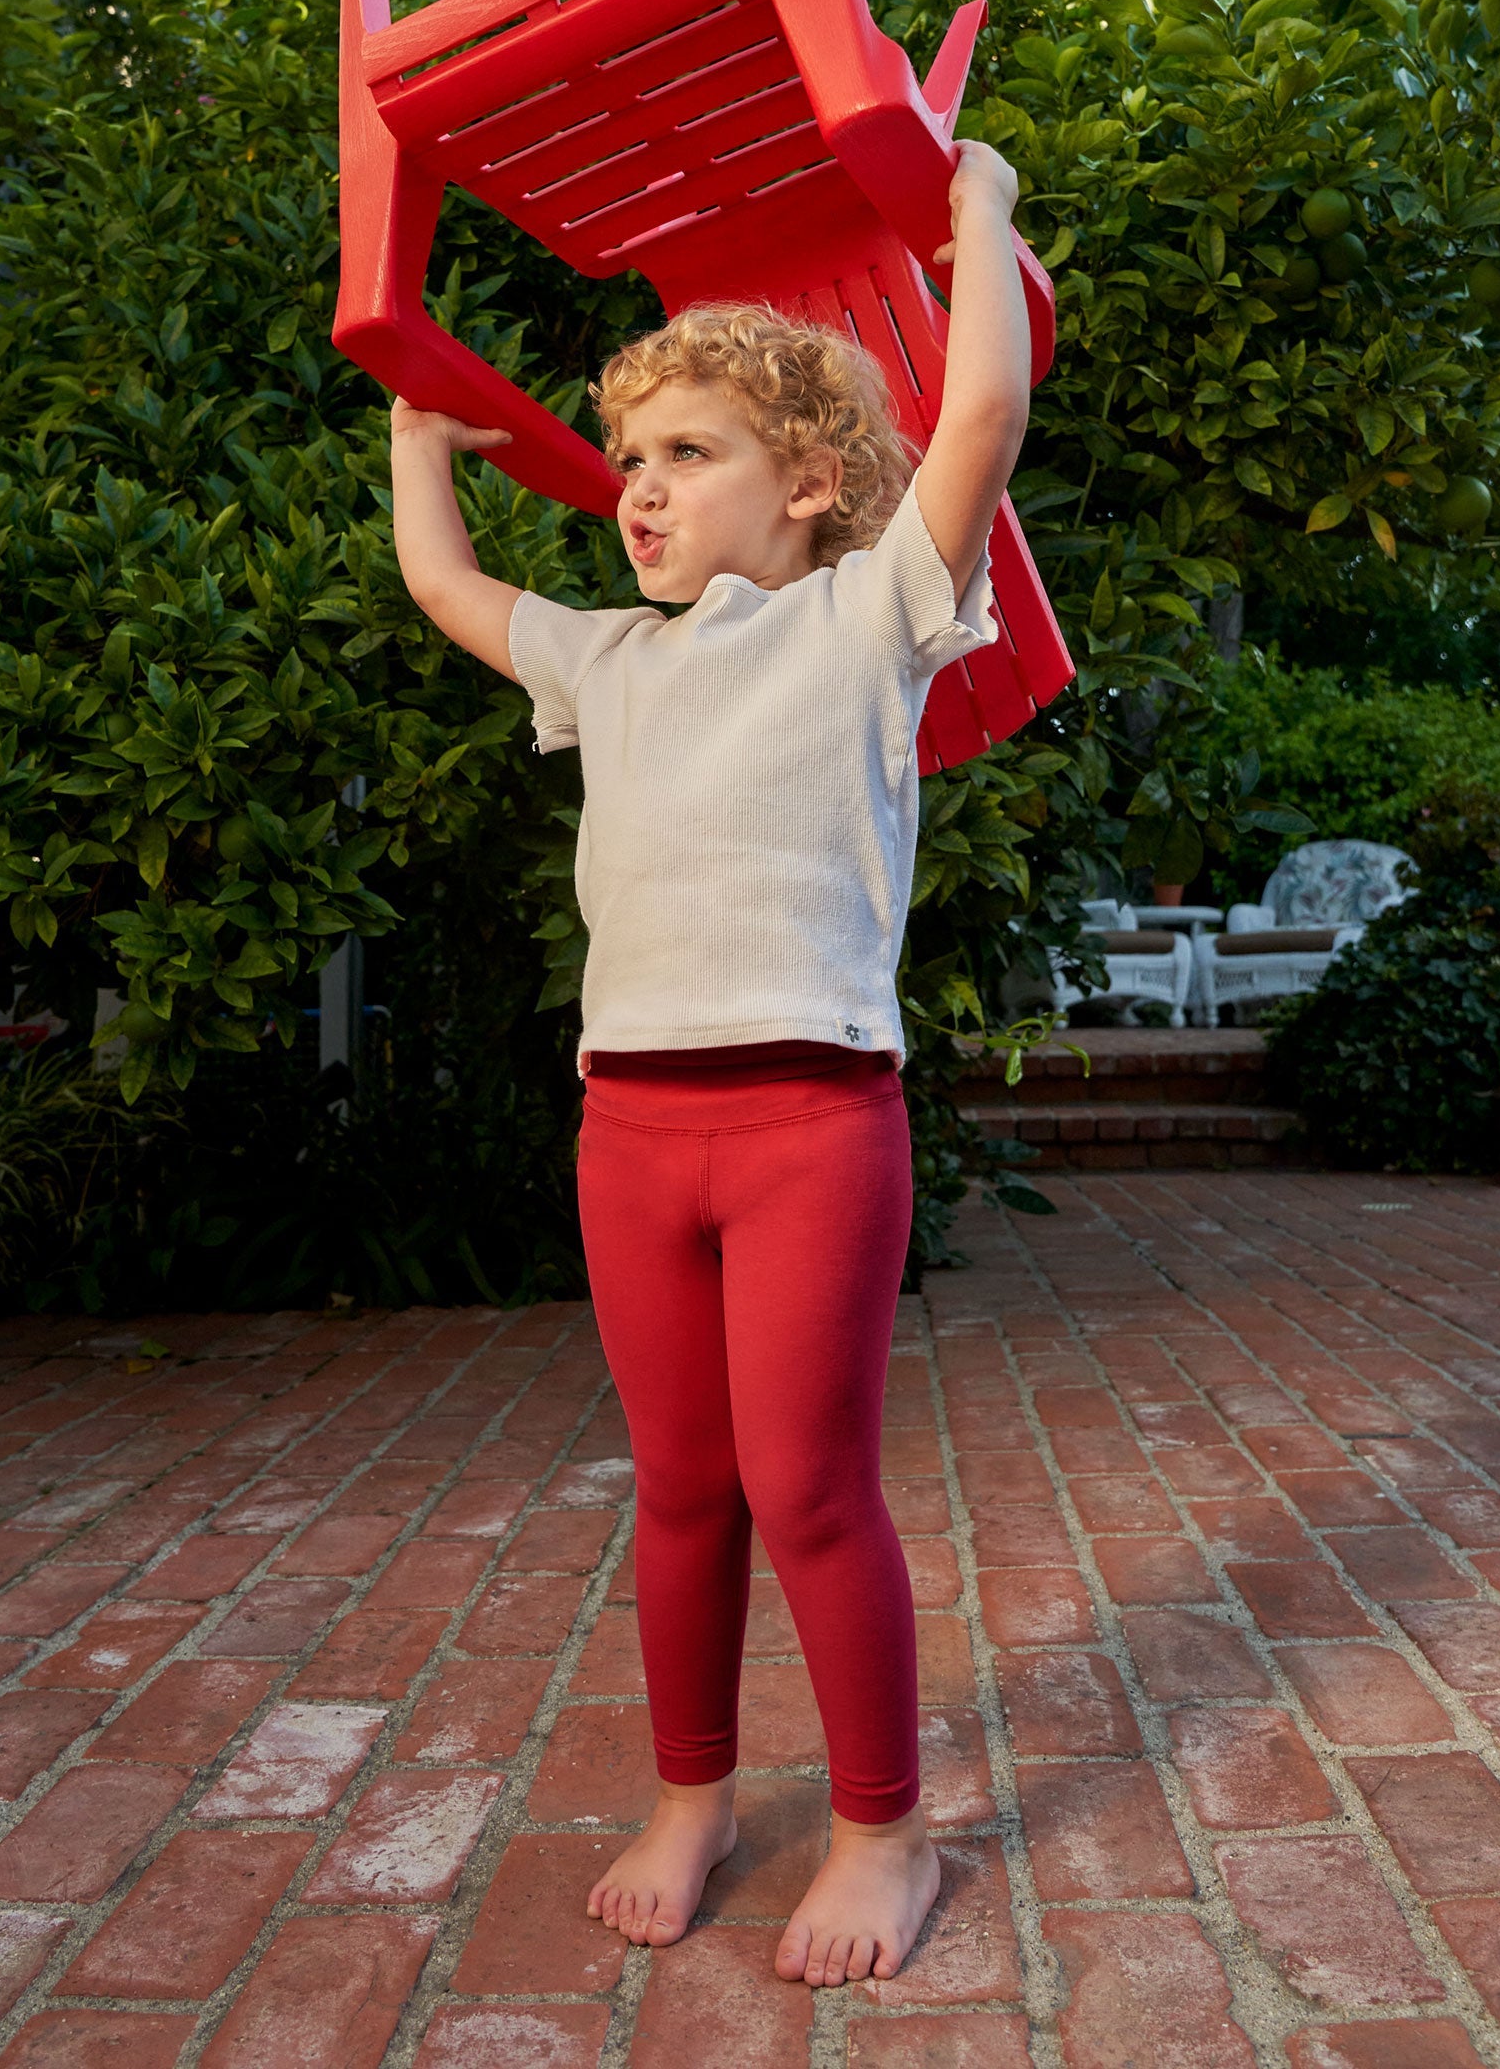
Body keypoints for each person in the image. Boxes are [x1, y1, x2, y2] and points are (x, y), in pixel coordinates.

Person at [387, 140, 1032, 1985]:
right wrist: (424, 446)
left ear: (808, 484)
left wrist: (974, 214)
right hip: (632, 1135)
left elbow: (978, 402)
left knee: (809, 1488)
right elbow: (446, 586)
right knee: (679, 1490)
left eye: (689, 454)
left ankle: (881, 1834)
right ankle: (692, 1798)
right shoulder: (607, 658)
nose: (638, 490)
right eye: (631, 459)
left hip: (812, 1125)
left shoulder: (869, 620)